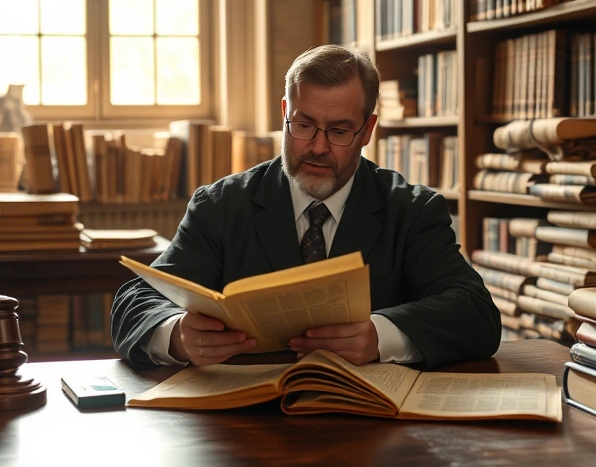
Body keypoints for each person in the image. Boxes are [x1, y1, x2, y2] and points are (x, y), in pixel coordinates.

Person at [111, 44, 500, 370]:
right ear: (285, 112)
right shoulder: (220, 206)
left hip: (369, 429)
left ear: (367, 130)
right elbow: (135, 300)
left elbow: (476, 313)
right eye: (304, 124)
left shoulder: (411, 211)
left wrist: (380, 336)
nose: (317, 146)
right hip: (243, 428)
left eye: (339, 130)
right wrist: (177, 334)